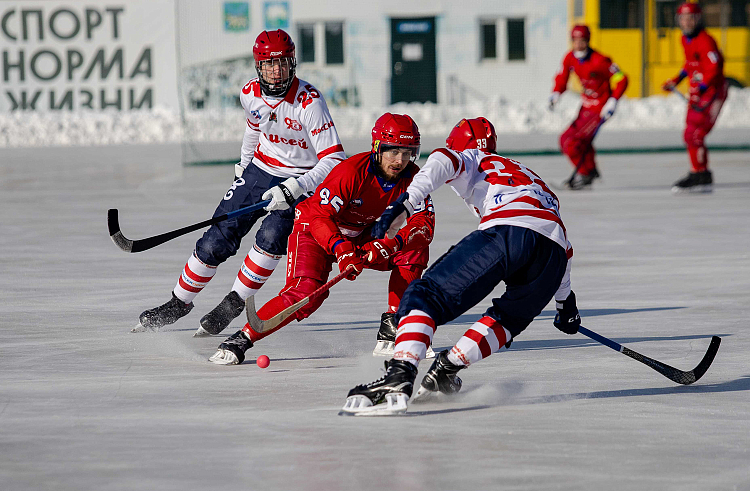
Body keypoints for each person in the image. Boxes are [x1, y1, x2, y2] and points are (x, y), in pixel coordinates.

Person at [340, 117, 581, 416]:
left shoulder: (474, 157)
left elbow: (443, 158)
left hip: (508, 231)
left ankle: (398, 376)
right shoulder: (529, 176)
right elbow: (563, 245)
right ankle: (446, 369)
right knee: (506, 321)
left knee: (425, 295)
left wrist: (406, 203)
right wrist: (565, 303)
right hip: (554, 253)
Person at [134, 29, 346, 335]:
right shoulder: (249, 94)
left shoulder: (309, 102)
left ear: (293, 63)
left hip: (302, 180)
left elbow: (334, 159)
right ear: (258, 66)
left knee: (271, 238)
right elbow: (253, 130)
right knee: (217, 236)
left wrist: (296, 187)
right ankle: (178, 303)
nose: (277, 71)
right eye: (269, 64)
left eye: (283, 63)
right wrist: (243, 168)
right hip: (260, 170)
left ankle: (233, 303)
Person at [208, 113, 436, 365]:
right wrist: (342, 249)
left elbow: (424, 225)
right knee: (307, 293)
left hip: (360, 233)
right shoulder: (350, 172)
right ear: (377, 147)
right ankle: (242, 338)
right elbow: (320, 217)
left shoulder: (415, 178)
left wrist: (388, 245)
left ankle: (394, 326)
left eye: (407, 152)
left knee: (413, 250)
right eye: (393, 151)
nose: (400, 160)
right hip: (315, 230)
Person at [549, 25, 628, 190]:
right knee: (568, 141)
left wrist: (613, 100)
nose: (578, 45)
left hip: (600, 109)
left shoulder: (600, 60)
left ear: (588, 41)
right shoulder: (570, 58)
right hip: (586, 107)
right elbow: (562, 76)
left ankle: (585, 174)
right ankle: (591, 170)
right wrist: (556, 92)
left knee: (571, 142)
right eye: (575, 41)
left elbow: (622, 79)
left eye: (582, 41)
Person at [662, 2, 727, 193]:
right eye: (683, 18)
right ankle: (700, 172)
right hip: (698, 92)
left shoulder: (705, 40)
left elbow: (714, 68)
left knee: (697, 134)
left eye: (690, 18)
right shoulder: (685, 39)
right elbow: (690, 64)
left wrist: (703, 86)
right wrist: (677, 80)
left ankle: (699, 174)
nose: (687, 22)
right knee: (690, 133)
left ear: (698, 19)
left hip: (713, 93)